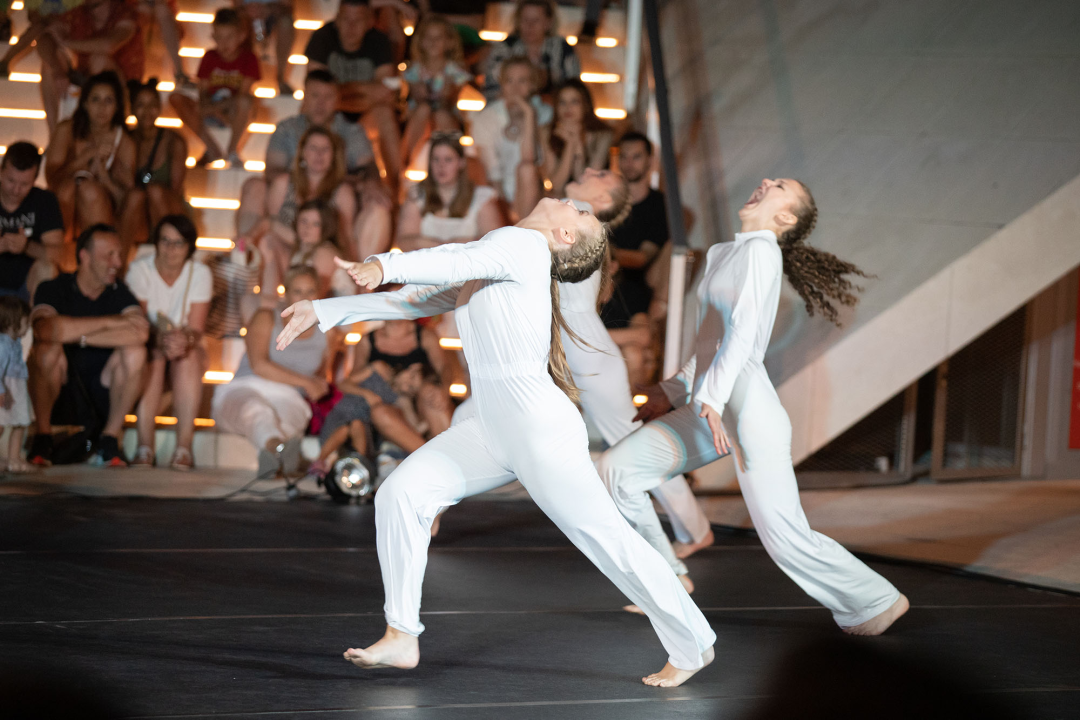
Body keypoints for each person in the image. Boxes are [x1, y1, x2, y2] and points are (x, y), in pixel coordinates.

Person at [275, 198, 716, 687]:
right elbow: (417, 301)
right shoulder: (504, 254)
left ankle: (693, 645)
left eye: (582, 214)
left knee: (608, 541)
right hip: (489, 428)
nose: (575, 204)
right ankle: (401, 634)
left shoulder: (522, 244)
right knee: (401, 494)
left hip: (537, 430)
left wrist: (385, 265)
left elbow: (453, 260)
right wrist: (325, 309)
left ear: (565, 237)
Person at [597, 178, 910, 636]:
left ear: (785, 218)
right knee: (617, 470)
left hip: (748, 412)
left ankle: (877, 601)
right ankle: (666, 581)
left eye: (779, 186)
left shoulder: (763, 250)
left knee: (784, 538)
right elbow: (712, 344)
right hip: (712, 407)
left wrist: (709, 397)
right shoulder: (723, 253)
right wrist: (672, 390)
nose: (765, 182)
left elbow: (742, 337)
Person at [27, 224, 149, 467]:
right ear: (85, 256)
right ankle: (43, 438)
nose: (117, 262)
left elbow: (140, 333)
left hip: (104, 388)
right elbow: (45, 330)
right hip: (60, 388)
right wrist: (109, 322)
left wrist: (75, 335)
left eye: (119, 254)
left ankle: (109, 438)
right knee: (45, 350)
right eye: (109, 255)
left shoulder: (120, 293)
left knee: (136, 352)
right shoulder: (54, 288)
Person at [211, 266, 340, 478]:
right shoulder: (265, 317)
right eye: (297, 291)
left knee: (289, 422)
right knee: (257, 410)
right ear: (286, 293)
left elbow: (322, 376)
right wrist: (306, 382)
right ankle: (277, 449)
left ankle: (273, 456)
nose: (304, 298)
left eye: (310, 292)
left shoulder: (328, 332)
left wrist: (318, 386)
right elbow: (259, 365)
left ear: (318, 294)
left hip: (291, 397)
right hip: (247, 386)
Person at [239, 70, 386, 248]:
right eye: (315, 96)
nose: (320, 104)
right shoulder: (287, 128)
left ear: (337, 99)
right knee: (255, 186)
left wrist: (334, 183)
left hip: (335, 200)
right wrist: (306, 183)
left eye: (328, 97)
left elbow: (368, 167)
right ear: (305, 97)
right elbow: (272, 170)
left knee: (375, 202)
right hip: (292, 197)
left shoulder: (352, 131)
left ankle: (357, 263)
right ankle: (244, 252)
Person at [126, 216, 212, 470]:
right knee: (152, 356)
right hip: (150, 343)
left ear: (189, 247)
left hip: (184, 346)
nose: (171, 249)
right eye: (165, 241)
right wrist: (161, 340)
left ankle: (183, 447)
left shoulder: (200, 273)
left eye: (178, 243)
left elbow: (196, 329)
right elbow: (136, 322)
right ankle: (144, 446)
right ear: (156, 242)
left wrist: (183, 340)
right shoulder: (140, 270)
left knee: (189, 357)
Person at [304, 0, 401, 188]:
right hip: (330, 116)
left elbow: (385, 93)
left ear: (369, 22)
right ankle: (308, 185)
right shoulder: (322, 37)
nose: (351, 27)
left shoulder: (379, 41)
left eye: (358, 20)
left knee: (385, 114)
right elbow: (314, 90)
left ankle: (394, 190)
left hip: (365, 118)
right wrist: (365, 91)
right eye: (346, 19)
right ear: (337, 20)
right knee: (310, 107)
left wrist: (338, 93)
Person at [602, 131, 666, 388]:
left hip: (634, 285)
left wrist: (603, 251)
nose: (629, 163)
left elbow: (642, 258)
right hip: (604, 279)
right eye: (624, 157)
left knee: (635, 351)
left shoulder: (657, 205)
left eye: (636, 157)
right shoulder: (607, 202)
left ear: (650, 160)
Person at [45, 72, 136, 242]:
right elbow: (52, 179)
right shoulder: (66, 130)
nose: (101, 107)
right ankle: (59, 247)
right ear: (85, 103)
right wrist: (84, 158)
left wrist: (104, 177)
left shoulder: (124, 143)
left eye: (108, 101)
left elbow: (126, 200)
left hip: (102, 210)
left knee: (89, 191)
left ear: (117, 106)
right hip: (66, 204)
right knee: (68, 189)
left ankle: (95, 249)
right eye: (95, 100)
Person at [169, 8, 260, 167]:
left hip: (232, 111)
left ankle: (232, 150)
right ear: (213, 37)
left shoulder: (249, 59)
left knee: (246, 102)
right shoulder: (210, 57)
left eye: (229, 37)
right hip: (211, 109)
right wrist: (210, 108)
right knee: (175, 98)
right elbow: (203, 92)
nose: (224, 43)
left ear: (241, 36)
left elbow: (243, 94)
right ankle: (211, 148)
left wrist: (216, 108)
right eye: (220, 37)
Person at [35, 0, 143, 133]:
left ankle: (116, 132)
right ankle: (54, 135)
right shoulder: (77, 12)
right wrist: (57, 69)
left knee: (99, 60)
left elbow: (109, 45)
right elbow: (45, 39)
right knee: (50, 63)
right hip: (86, 77)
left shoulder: (124, 12)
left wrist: (67, 43)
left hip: (124, 84)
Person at [264, 127, 357, 270]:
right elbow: (270, 223)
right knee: (267, 240)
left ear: (333, 156)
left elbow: (346, 236)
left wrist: (355, 268)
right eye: (313, 148)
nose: (319, 154)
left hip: (322, 253)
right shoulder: (283, 183)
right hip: (287, 248)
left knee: (322, 254)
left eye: (325, 149)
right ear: (302, 152)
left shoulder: (342, 192)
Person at [470, 56, 551, 221]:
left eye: (522, 81)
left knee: (527, 170)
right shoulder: (486, 118)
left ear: (532, 85)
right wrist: (506, 210)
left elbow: (534, 161)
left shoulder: (544, 114)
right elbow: (491, 172)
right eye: (509, 81)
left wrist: (529, 115)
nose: (515, 88)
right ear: (502, 84)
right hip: (498, 191)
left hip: (535, 190)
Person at [118, 79, 189, 256]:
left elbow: (175, 190)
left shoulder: (174, 141)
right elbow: (123, 186)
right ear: (132, 109)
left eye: (152, 105)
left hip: (168, 210)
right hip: (139, 214)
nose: (147, 111)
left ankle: (168, 256)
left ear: (159, 108)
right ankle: (119, 263)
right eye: (141, 105)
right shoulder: (125, 140)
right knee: (135, 196)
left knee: (155, 191)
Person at [396, 136, 502, 251]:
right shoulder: (417, 196)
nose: (441, 166)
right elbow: (404, 241)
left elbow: (493, 243)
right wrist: (443, 245)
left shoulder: (481, 198)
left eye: (448, 159)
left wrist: (445, 245)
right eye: (436, 159)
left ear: (461, 163)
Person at [399, 15, 471, 168]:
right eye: (429, 37)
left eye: (438, 38)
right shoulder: (414, 70)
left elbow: (450, 100)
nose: (433, 42)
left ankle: (452, 163)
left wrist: (448, 90)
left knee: (440, 114)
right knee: (424, 109)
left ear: (449, 42)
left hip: (446, 115)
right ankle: (405, 163)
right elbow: (417, 98)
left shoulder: (455, 71)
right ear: (421, 41)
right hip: (418, 117)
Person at [0, 142, 65, 302]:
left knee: (47, 268)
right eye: (11, 181)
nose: (16, 190)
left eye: (24, 184)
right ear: (1, 172)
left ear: (35, 180)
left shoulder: (44, 201)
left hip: (27, 286)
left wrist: (26, 246)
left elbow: (58, 255)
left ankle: (37, 316)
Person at [261, 199, 354, 305]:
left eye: (316, 224)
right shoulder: (301, 245)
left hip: (336, 310)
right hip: (310, 305)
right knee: (253, 300)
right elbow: (270, 223)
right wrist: (249, 238)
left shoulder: (325, 253)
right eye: (304, 221)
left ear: (325, 228)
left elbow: (315, 296)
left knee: (258, 303)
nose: (307, 227)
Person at [481, 0, 578, 100]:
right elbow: (491, 90)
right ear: (518, 21)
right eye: (525, 20)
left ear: (548, 23)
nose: (530, 26)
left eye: (536, 20)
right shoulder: (504, 48)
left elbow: (575, 88)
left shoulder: (562, 49)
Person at [540, 80, 613, 198]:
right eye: (562, 102)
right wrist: (570, 144)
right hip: (561, 198)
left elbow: (585, 184)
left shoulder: (602, 135)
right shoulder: (547, 131)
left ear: (585, 105)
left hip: (593, 198)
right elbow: (557, 185)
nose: (568, 108)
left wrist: (578, 146)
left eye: (574, 102)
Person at [235, 0, 296, 95]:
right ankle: (240, 80)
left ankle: (280, 77)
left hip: (273, 17)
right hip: (248, 20)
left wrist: (268, 9)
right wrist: (247, 11)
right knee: (238, 23)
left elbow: (288, 7)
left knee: (286, 22)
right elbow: (235, 7)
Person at [0, 296, 32, 472]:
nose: (28, 327)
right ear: (12, 323)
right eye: (26, 323)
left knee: (20, 423)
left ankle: (14, 459)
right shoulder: (2, 345)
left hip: (17, 388)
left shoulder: (15, 343)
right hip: (6, 389)